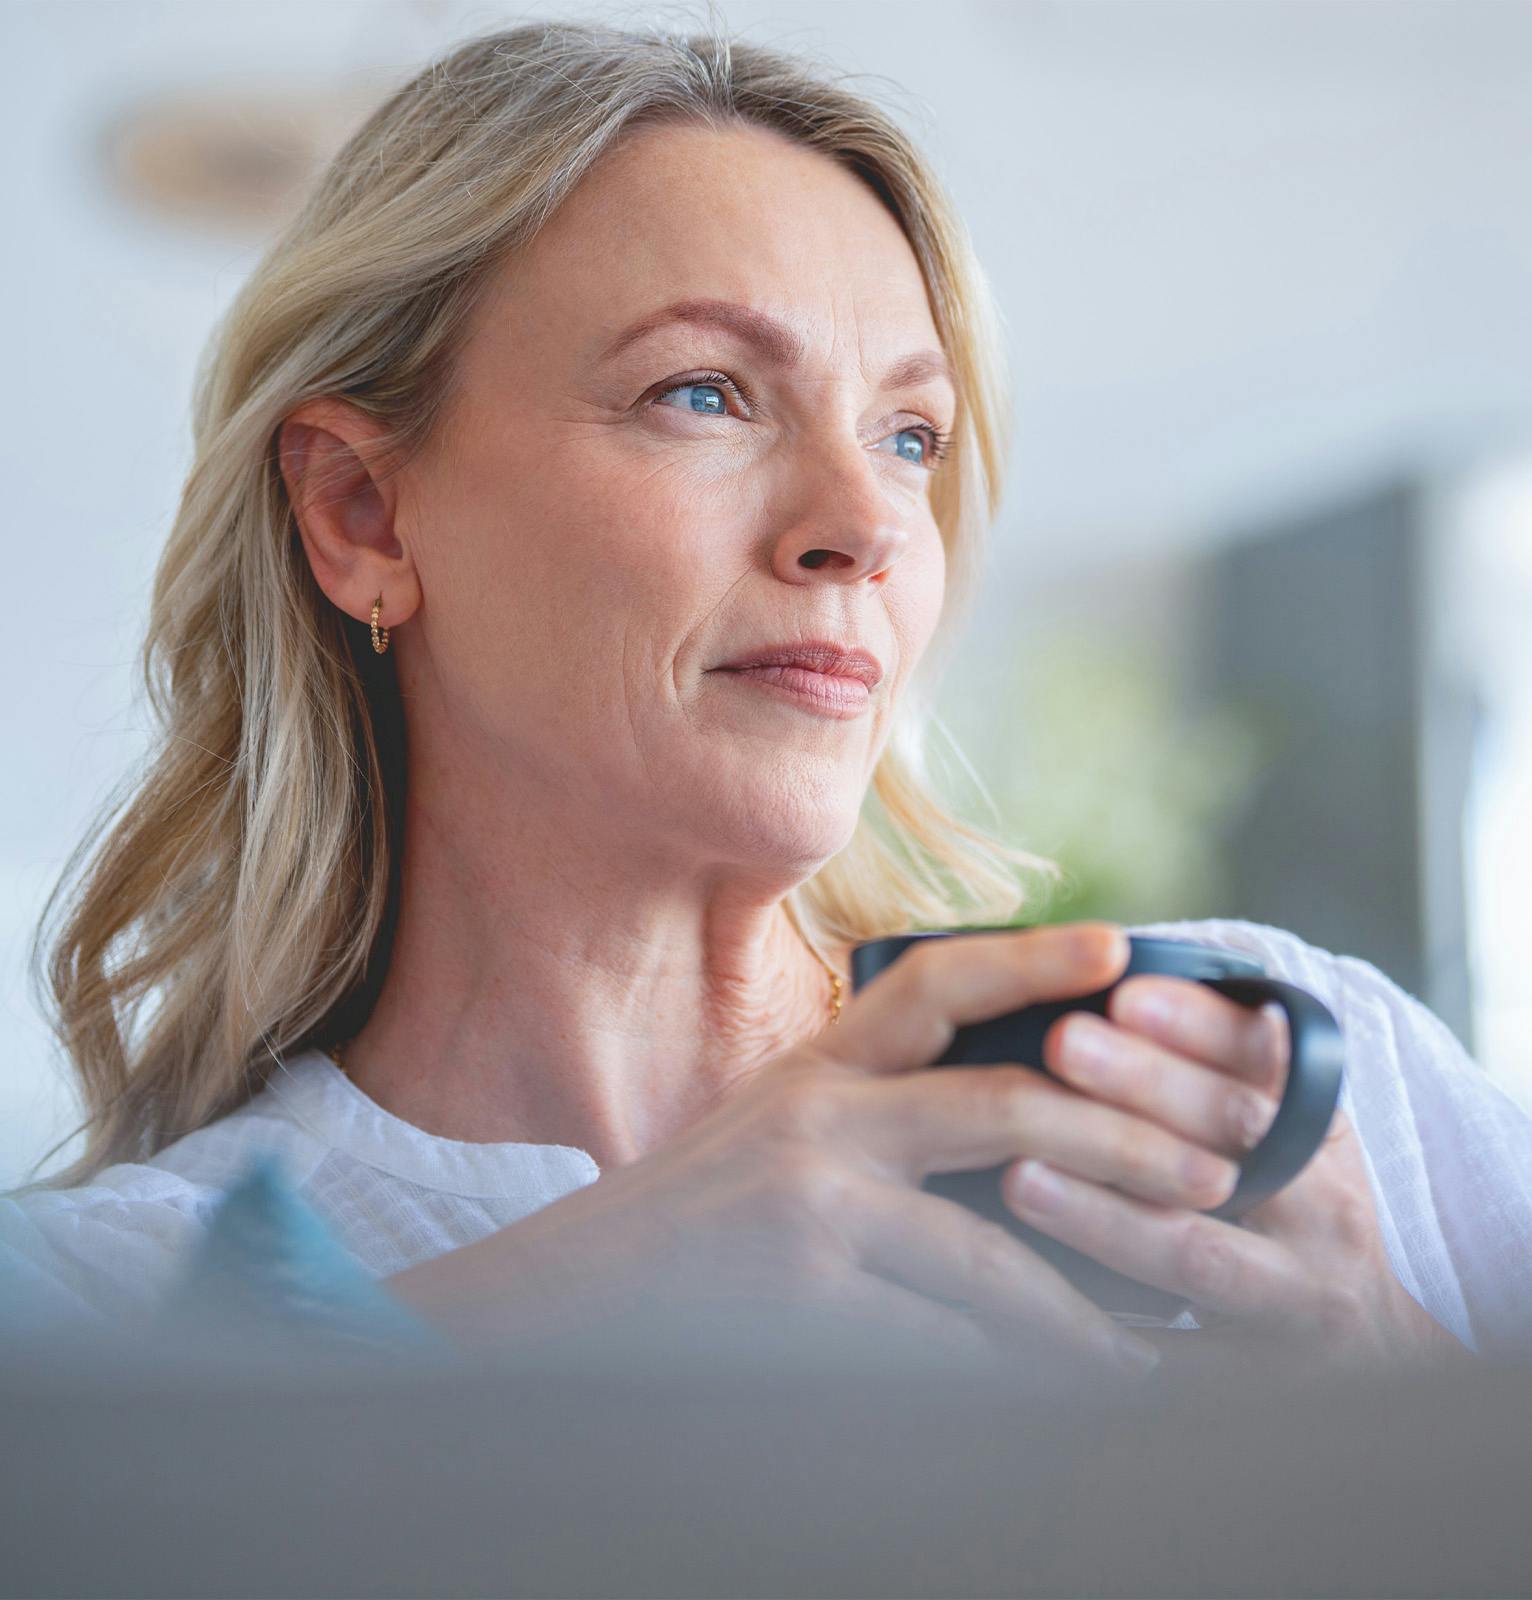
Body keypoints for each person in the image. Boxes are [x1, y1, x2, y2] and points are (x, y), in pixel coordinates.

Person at [8, 20, 1528, 1378]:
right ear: (362, 516)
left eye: (912, 437)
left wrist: (1409, 1393)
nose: (863, 524)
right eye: (704, 393)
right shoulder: (102, 1318)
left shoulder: (1298, 1084)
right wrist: (598, 1297)